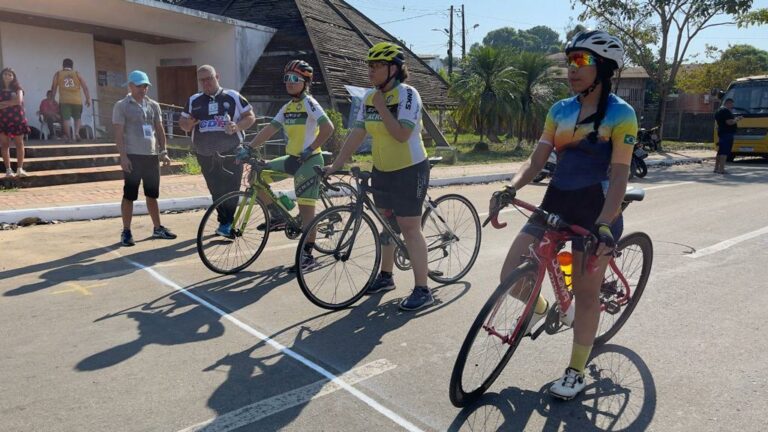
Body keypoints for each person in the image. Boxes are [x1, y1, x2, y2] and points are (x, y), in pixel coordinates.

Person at [487, 30, 637, 399]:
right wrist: (510, 188)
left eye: (581, 60)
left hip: (597, 210)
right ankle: (538, 309)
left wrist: (605, 224)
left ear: (604, 68)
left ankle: (575, 371)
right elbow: (536, 160)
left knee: (586, 295)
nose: (572, 68)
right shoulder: (560, 110)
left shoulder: (622, 114)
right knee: (510, 272)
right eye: (570, 60)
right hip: (556, 200)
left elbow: (620, 175)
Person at [325, 42, 433, 311]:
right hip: (382, 170)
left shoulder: (408, 94)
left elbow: (402, 135)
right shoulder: (369, 97)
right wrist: (337, 163)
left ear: (393, 69)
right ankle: (386, 276)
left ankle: (423, 289)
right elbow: (357, 133)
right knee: (387, 223)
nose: (371, 71)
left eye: (377, 66)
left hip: (410, 169)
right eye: (369, 66)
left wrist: (382, 106)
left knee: (409, 227)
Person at [242, 60, 334, 271]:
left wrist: (311, 149)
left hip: (310, 161)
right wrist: (249, 147)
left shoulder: (309, 103)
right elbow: (269, 130)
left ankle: (308, 256)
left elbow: (328, 128)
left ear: (305, 82)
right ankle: (278, 215)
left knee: (306, 211)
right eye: (287, 78)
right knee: (256, 177)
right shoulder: (287, 107)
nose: (290, 82)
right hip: (292, 159)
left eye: (295, 79)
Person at [178, 65, 256, 234]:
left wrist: (237, 126)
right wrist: (188, 124)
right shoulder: (194, 100)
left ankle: (226, 223)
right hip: (205, 153)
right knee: (215, 189)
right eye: (202, 80)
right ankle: (225, 222)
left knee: (231, 188)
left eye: (209, 79)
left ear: (217, 77)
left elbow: (250, 117)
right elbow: (182, 122)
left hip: (231, 151)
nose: (206, 83)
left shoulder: (233, 96)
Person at [112, 70, 176, 246]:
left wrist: (164, 151)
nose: (143, 89)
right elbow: (118, 133)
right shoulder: (122, 106)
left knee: (152, 194)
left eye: (145, 86)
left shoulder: (153, 105)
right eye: (139, 86)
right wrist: (123, 157)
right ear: (130, 86)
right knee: (129, 194)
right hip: (133, 156)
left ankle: (157, 227)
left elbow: (159, 129)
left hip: (151, 155)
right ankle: (126, 231)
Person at [51, 58, 91, 143]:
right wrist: (88, 98)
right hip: (77, 100)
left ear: (63, 65)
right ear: (72, 66)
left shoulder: (58, 74)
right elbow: (85, 87)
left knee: (66, 119)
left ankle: (69, 137)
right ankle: (76, 133)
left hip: (64, 100)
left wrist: (52, 99)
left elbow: (53, 87)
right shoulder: (77, 73)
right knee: (77, 117)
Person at [0, 68, 29, 178]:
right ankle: (8, 170)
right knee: (4, 144)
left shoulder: (18, 88)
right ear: (2, 76)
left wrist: (3, 104)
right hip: (2, 120)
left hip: (17, 119)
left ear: (13, 77)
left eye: (10, 74)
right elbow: (14, 102)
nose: (7, 76)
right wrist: (11, 103)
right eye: (5, 74)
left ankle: (20, 169)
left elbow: (18, 101)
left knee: (19, 143)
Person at [714, 98, 741, 174]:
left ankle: (716, 168)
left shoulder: (718, 111)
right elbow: (729, 122)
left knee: (720, 151)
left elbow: (717, 124)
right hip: (727, 133)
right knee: (724, 152)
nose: (732, 106)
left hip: (721, 133)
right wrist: (737, 119)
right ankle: (721, 169)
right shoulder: (725, 111)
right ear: (728, 103)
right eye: (732, 104)